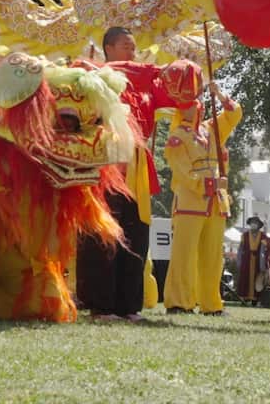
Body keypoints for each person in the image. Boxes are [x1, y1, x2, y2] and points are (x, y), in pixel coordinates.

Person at [78, 27, 178, 323]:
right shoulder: (94, 72)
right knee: (104, 232)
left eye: (134, 48)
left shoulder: (144, 87)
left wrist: (188, 77)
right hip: (106, 162)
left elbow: (176, 95)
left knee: (136, 234)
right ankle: (101, 305)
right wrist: (154, 68)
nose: (132, 53)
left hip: (137, 168)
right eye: (126, 46)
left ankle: (128, 305)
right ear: (108, 47)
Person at [160, 62, 241, 316]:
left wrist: (220, 94)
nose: (196, 106)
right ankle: (179, 302)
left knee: (212, 256)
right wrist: (209, 184)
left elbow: (235, 114)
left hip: (216, 201)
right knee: (184, 254)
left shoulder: (210, 130)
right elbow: (182, 171)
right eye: (190, 104)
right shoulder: (177, 137)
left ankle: (211, 304)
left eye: (197, 102)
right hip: (191, 201)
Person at [236, 217, 270, 304]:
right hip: (246, 260)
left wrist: (263, 264)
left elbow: (264, 249)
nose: (253, 224)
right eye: (252, 222)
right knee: (245, 278)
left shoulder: (263, 236)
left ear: (258, 225)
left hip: (258, 261)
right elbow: (240, 249)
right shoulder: (245, 235)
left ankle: (256, 299)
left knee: (257, 279)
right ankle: (246, 298)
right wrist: (239, 261)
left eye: (255, 222)